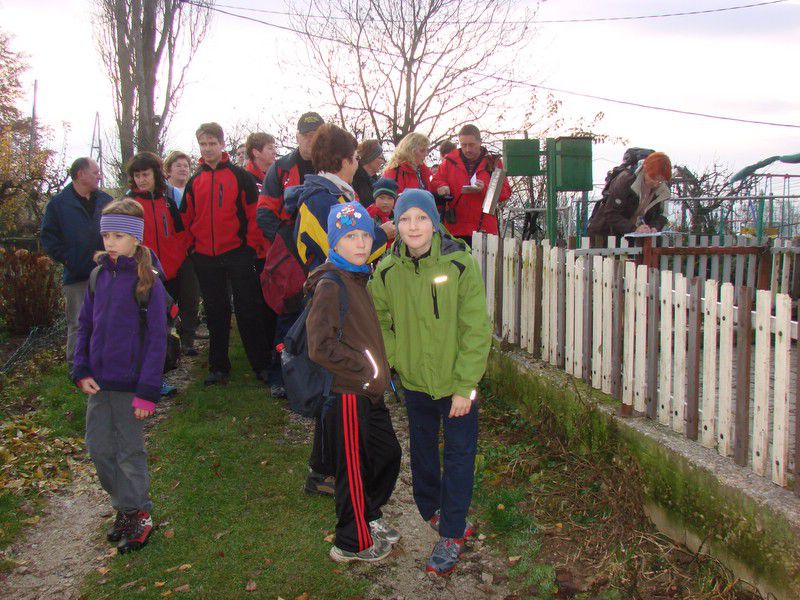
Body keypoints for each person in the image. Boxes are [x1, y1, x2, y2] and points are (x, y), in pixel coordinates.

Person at [368, 189, 491, 576]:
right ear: (396, 225)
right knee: (421, 451)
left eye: (421, 218)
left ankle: (452, 531)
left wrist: (464, 385)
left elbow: (476, 327)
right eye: (405, 219)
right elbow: (380, 319)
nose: (413, 226)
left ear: (434, 221)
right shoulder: (387, 269)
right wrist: (398, 360)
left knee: (458, 456)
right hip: (416, 381)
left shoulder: (459, 263)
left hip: (458, 384)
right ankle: (432, 508)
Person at [287, 123, 392, 497]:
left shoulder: (331, 192)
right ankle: (325, 471)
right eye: (355, 159)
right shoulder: (323, 198)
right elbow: (341, 252)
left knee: (333, 383)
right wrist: (384, 234)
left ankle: (324, 467)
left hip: (337, 291)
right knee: (332, 385)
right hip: (333, 296)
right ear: (347, 160)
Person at [306, 201, 402, 563]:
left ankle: (369, 514)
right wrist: (364, 368)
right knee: (353, 468)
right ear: (335, 243)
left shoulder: (359, 275)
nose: (361, 243)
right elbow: (320, 346)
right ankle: (351, 541)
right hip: (347, 393)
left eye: (365, 234)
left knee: (387, 454)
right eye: (350, 237)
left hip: (368, 392)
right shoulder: (332, 284)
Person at [72, 198, 167, 555]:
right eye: (106, 234)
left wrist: (147, 391)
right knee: (99, 449)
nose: (109, 242)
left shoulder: (148, 284)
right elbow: (85, 326)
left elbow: (157, 339)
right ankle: (124, 506)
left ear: (136, 240)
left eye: (117, 235)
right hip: (99, 383)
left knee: (128, 451)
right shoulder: (98, 276)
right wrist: (80, 369)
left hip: (131, 387)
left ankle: (137, 512)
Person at [180, 122, 270, 386]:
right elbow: (186, 219)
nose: (207, 149)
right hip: (205, 256)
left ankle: (262, 364)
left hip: (238, 253)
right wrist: (192, 248)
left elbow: (254, 214)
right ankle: (219, 367)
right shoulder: (194, 181)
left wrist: (252, 247)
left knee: (248, 310)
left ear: (222, 144)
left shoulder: (240, 177)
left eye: (212, 143)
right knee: (215, 312)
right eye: (203, 144)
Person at [40, 157, 113, 372]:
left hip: (106, 274)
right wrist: (72, 260)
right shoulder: (58, 205)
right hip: (76, 277)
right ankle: (76, 367)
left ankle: (104, 363)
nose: (99, 175)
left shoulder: (105, 201)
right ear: (81, 175)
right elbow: (49, 239)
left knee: (106, 320)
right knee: (79, 323)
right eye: (95, 172)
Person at [125, 152, 198, 361]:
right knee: (148, 318)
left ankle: (174, 351)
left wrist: (179, 255)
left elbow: (180, 231)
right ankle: (152, 363)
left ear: (155, 175)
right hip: (143, 270)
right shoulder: (130, 203)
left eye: (145, 174)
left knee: (171, 313)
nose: (142, 180)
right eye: (137, 176)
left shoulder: (167, 201)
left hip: (172, 268)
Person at [244, 132, 281, 393]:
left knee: (274, 303)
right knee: (257, 306)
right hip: (255, 251)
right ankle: (262, 361)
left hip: (274, 250)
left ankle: (274, 352)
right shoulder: (246, 179)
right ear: (256, 152)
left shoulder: (276, 176)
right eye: (270, 147)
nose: (274, 151)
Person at [431, 124, 511, 246]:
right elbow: (434, 183)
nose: (468, 149)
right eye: (463, 145)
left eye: (472, 145)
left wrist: (485, 188)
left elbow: (505, 193)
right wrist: (442, 186)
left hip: (484, 229)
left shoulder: (493, 163)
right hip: (455, 229)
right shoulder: (449, 162)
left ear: (480, 142)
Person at [256, 112, 324, 243]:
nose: (311, 140)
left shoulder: (336, 165)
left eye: (316, 135)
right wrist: (287, 240)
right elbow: (264, 213)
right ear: (298, 138)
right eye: (306, 135)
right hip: (292, 248)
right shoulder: (280, 168)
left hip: (328, 246)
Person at [164, 150, 202, 350]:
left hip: (189, 252)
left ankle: (188, 339)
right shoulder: (162, 193)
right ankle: (167, 339)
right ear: (168, 169)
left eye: (186, 165)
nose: (183, 168)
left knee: (190, 295)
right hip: (167, 253)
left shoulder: (193, 190)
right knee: (168, 296)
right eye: (178, 165)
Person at [587, 151, 672, 240]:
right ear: (645, 169)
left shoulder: (663, 191)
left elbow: (661, 215)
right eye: (653, 178)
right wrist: (634, 229)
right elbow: (611, 213)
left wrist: (654, 227)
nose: (656, 183)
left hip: (633, 238)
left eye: (661, 181)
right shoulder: (626, 180)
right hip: (605, 235)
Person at [366, 177, 399, 252]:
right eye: (381, 197)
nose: (385, 202)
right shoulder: (368, 216)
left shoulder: (397, 216)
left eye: (390, 198)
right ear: (375, 198)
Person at [351, 139, 385, 207]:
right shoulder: (354, 180)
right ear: (370, 158)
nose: (383, 162)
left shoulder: (375, 182)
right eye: (380, 158)